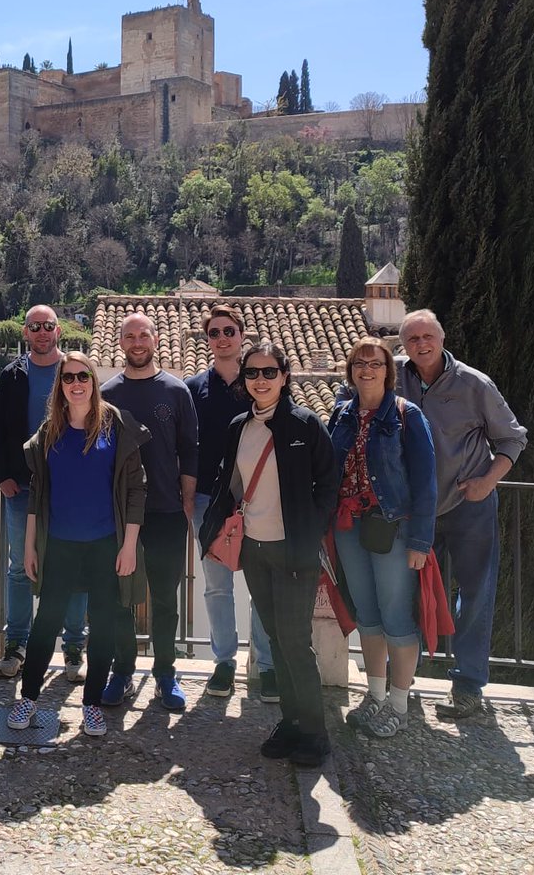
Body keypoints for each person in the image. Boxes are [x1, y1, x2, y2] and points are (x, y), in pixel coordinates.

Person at [200, 341, 338, 767]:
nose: (261, 380)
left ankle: (315, 732)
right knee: (276, 638)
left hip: (293, 551)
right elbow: (229, 481)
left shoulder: (305, 424)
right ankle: (292, 722)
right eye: (253, 373)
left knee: (296, 641)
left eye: (269, 372)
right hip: (255, 551)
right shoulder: (239, 427)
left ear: (285, 376)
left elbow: (328, 484)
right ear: (244, 380)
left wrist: (308, 533)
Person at [7, 352, 148, 739]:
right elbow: (37, 495)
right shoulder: (49, 432)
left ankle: (91, 705)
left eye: (83, 375)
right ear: (60, 386)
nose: (76, 383)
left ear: (93, 380)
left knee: (103, 626)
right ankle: (29, 697)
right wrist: (31, 547)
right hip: (61, 546)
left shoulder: (115, 426)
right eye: (68, 377)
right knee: (46, 623)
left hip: (106, 544)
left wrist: (129, 545)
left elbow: (137, 489)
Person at [396, 309, 527, 719]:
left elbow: (512, 438)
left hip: (470, 505)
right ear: (403, 344)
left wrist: (488, 482)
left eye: (427, 335)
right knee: (407, 592)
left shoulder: (473, 383)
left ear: (442, 337)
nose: (421, 343)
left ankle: (468, 685)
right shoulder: (392, 376)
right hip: (416, 510)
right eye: (412, 338)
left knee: (475, 595)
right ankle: (403, 676)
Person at [329, 336, 436, 738]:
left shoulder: (408, 416)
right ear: (351, 370)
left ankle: (398, 705)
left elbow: (426, 484)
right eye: (359, 363)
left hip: (392, 528)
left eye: (375, 363)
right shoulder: (341, 416)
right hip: (348, 528)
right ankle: (374, 696)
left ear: (388, 371)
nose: (367, 369)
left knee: (396, 618)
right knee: (367, 616)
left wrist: (420, 543)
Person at [100, 312, 199, 711]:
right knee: (119, 597)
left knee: (164, 599)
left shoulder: (176, 392)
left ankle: (165, 673)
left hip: (165, 511)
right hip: (117, 515)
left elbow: (190, 450)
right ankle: (122, 671)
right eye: (130, 336)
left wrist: (187, 500)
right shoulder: (106, 393)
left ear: (156, 339)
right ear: (120, 343)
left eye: (144, 335)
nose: (137, 342)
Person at [0, 305, 88, 683]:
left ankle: (74, 647)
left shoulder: (75, 369)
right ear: (25, 332)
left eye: (48, 326)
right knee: (19, 567)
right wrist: (1, 476)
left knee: (74, 565)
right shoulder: (13, 374)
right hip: (22, 485)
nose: (42, 332)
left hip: (68, 488)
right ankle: (16, 646)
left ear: (58, 330)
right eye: (35, 327)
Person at [185, 305, 275, 699]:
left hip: (257, 500)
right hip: (208, 499)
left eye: (229, 331)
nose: (222, 338)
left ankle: (267, 665)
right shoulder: (193, 389)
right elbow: (185, 446)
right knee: (217, 586)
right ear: (208, 340)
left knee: (262, 586)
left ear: (241, 336)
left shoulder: (258, 381)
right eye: (215, 332)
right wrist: (188, 496)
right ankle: (224, 663)